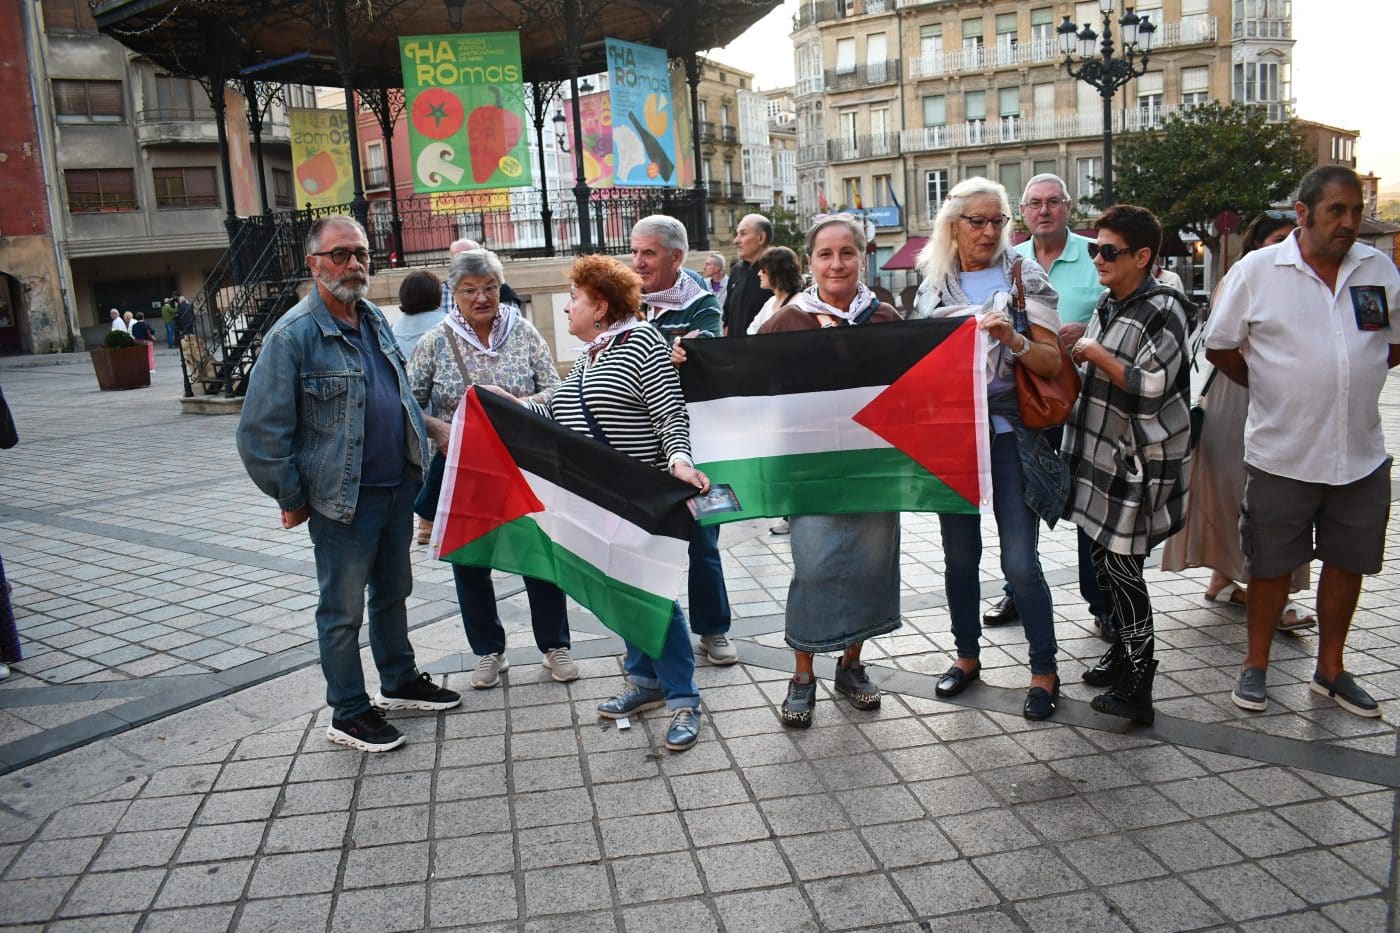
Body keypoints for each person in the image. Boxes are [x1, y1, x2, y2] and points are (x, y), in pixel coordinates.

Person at [236, 215, 461, 754]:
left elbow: (398, 392)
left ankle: (399, 679)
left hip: (394, 485)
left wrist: (433, 430)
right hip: (343, 498)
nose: (354, 264)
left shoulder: (373, 319)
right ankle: (350, 711)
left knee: (393, 593)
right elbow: (260, 434)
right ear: (313, 264)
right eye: (340, 254)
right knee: (341, 611)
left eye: (360, 253)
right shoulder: (292, 336)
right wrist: (291, 497)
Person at [1206, 166, 1400, 718]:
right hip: (1282, 453)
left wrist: (1347, 378)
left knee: (1349, 561)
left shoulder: (1377, 269)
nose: (1348, 222)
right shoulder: (1259, 271)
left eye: (1356, 211)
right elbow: (1221, 348)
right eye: (1336, 210)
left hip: (1360, 453)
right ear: (1302, 212)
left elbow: (1394, 342)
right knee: (1269, 564)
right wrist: (1272, 383)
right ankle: (1256, 664)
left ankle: (1331, 671)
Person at [517, 254, 709, 751]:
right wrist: (510, 404)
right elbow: (560, 402)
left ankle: (684, 698)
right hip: (603, 500)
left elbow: (669, 411)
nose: (566, 310)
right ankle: (646, 684)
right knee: (622, 589)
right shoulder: (593, 354)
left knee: (651, 594)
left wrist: (680, 460)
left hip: (641, 497)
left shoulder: (644, 342)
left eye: (574, 300)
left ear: (599, 305)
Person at [911, 177, 1067, 721]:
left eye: (997, 220)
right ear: (952, 226)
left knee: (1020, 563)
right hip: (953, 438)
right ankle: (966, 656)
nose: (987, 231)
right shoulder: (931, 286)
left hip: (1008, 437)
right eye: (976, 221)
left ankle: (1044, 671)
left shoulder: (1024, 275)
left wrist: (1012, 340)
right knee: (959, 559)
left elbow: (1052, 365)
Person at [753, 214, 902, 727]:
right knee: (814, 570)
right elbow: (746, 378)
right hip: (810, 472)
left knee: (867, 567)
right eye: (825, 254)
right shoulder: (785, 322)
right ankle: (801, 675)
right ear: (810, 261)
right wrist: (692, 361)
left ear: (863, 257)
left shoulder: (884, 319)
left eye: (847, 253)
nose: (836, 263)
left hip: (872, 469)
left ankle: (851, 666)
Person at [409, 249, 572, 689]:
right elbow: (407, 402)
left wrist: (525, 407)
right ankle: (487, 652)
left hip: (523, 465)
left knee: (539, 554)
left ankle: (554, 646)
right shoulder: (435, 341)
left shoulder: (523, 332)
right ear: (453, 293)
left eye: (490, 288)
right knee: (471, 559)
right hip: (465, 471)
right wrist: (440, 428)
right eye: (470, 291)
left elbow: (555, 389)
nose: (482, 298)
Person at [1063, 204, 1194, 726]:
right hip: (1101, 458)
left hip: (1139, 464)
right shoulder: (1111, 301)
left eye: (1109, 251)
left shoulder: (1165, 308)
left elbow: (1149, 389)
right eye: (1095, 248)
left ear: (1143, 256)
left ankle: (1140, 682)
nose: (1098, 257)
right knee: (1104, 565)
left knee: (1123, 569)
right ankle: (1121, 653)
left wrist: (1093, 352)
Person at [1161, 210, 1315, 629]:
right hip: (1238, 394)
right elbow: (1220, 343)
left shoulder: (1306, 281)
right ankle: (1264, 591)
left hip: (1281, 402)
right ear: (1255, 246)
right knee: (1244, 494)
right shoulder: (1245, 277)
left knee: (1257, 494)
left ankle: (1225, 580)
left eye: (1293, 238)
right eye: (1277, 239)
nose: (1287, 246)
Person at [986, 173, 1109, 638]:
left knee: (1085, 499)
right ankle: (1018, 588)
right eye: (1034, 203)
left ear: (1068, 206)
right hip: (1026, 400)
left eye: (1053, 202)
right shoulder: (1008, 260)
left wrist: (1088, 332)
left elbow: (1119, 310)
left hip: (1084, 399)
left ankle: (1099, 601)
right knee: (1024, 495)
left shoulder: (1096, 253)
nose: (1044, 211)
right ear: (1022, 211)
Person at [631, 214, 735, 666]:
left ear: (675, 257)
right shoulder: (626, 297)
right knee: (643, 544)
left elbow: (709, 345)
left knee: (703, 538)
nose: (637, 262)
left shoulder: (700, 302)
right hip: (638, 442)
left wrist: (692, 353)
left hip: (693, 441)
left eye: (648, 253)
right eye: (634, 251)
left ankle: (713, 631)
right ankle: (649, 633)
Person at [744, 244, 806, 536]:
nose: (759, 274)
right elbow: (751, 335)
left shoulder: (801, 302)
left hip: (794, 390)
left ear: (775, 272)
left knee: (794, 450)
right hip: (772, 389)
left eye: (763, 269)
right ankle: (788, 508)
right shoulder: (770, 304)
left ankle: (794, 511)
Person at [393, 270, 447, 546]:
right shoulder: (446, 326)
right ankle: (435, 521)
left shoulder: (392, 330)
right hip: (439, 412)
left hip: (409, 410)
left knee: (421, 464)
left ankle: (424, 523)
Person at [721, 213, 774, 336]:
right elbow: (727, 316)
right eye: (737, 234)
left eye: (743, 234)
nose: (736, 241)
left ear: (761, 238)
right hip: (735, 352)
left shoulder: (777, 270)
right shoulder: (736, 271)